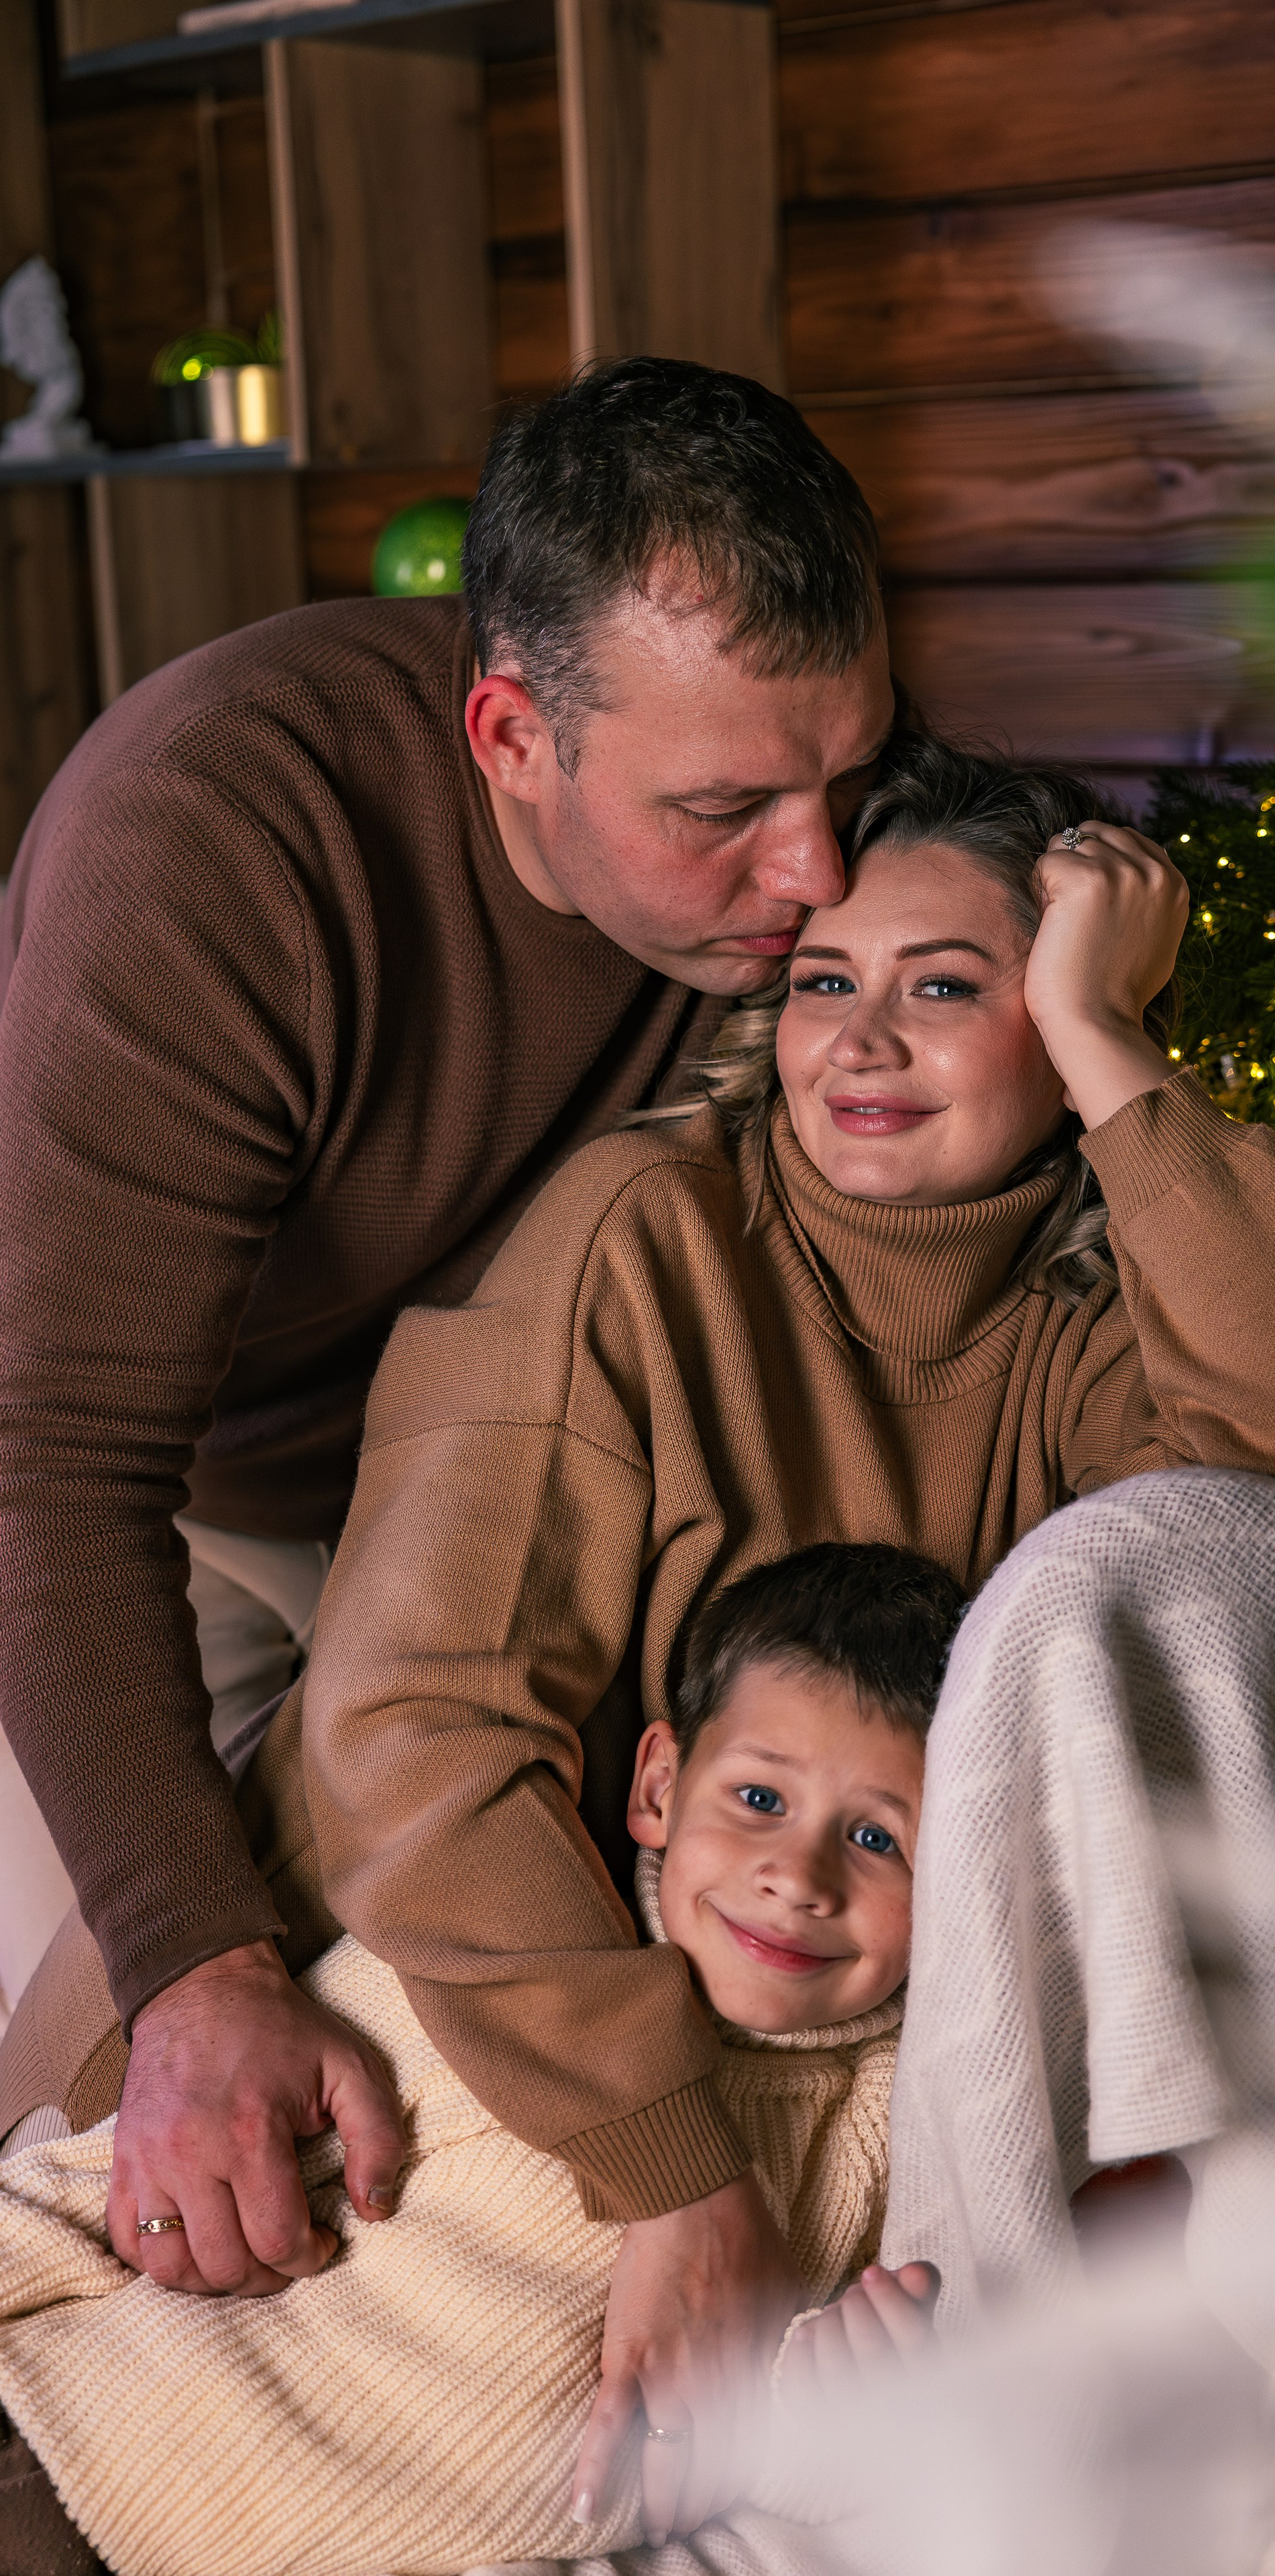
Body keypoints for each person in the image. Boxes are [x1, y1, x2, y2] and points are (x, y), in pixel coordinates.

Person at [266, 735, 1275, 2535]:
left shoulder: (1082, 1339)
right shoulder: (643, 1238)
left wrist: (1111, 1039)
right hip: (464, 2011)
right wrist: (677, 2181)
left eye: (951, 989)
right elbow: (414, 1739)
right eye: (826, 984)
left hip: (810, 2098)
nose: (862, 1043)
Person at [0, 358, 893, 2396]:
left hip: (451, 1473)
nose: (820, 873)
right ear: (511, 738)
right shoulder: (220, 845)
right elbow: (57, 1468)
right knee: (139, 2106)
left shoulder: (795, 798)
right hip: (154, 1485)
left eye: (848, 772)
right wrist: (197, 1972)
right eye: (727, 812)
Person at [0, 1541, 955, 2574]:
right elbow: (114, 2176)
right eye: (761, 1801)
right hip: (72, 2450)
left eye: (876, 1840)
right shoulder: (506, 1960)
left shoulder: (885, 2133)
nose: (797, 1877)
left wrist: (838, 2409)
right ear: (661, 1790)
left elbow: (744, 2470)